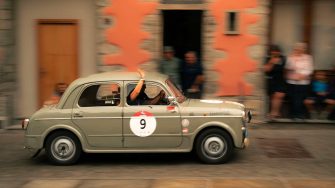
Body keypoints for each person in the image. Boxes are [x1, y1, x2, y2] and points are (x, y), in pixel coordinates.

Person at [285, 42, 314, 119]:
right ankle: (293, 114)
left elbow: (310, 69)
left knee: (301, 98)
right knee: (293, 98)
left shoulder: (308, 57)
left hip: (304, 82)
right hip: (292, 81)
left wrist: (302, 75)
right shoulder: (290, 57)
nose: (300, 50)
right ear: (295, 49)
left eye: (302, 48)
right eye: (298, 48)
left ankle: (299, 115)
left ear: (304, 49)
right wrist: (293, 59)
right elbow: (288, 68)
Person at [263, 45, 286, 119]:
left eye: (276, 52)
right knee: (273, 97)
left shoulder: (283, 59)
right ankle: (275, 113)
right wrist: (271, 62)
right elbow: (266, 70)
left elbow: (286, 69)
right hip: (272, 80)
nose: (275, 53)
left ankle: (274, 113)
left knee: (279, 96)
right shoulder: (268, 59)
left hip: (281, 79)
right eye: (273, 52)